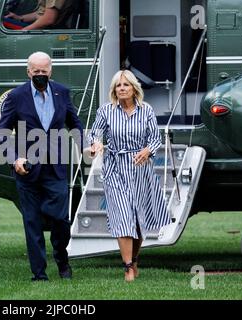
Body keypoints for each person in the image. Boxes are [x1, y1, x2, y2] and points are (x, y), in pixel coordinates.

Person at [0, 51, 83, 281]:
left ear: (50, 71)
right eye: (36, 72)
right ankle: (39, 273)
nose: (40, 75)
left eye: (44, 71)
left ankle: (62, 260)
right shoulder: (16, 97)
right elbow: (3, 133)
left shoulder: (62, 93)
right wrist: (15, 159)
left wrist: (85, 145)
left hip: (56, 169)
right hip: (27, 171)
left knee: (60, 220)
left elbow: (74, 123)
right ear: (28, 72)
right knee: (32, 222)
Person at [87, 70, 170, 282]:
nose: (122, 88)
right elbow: (95, 132)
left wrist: (148, 150)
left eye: (126, 85)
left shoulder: (146, 110)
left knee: (138, 218)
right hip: (115, 168)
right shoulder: (106, 110)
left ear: (134, 88)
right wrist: (96, 143)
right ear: (114, 90)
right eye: (118, 85)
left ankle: (133, 260)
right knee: (123, 216)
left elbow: (155, 138)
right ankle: (127, 267)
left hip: (140, 169)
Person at [4, 0, 74, 30]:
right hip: (44, 28)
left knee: (4, 23)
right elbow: (40, 13)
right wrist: (20, 18)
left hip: (49, 30)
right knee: (5, 20)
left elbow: (48, 19)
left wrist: (22, 32)